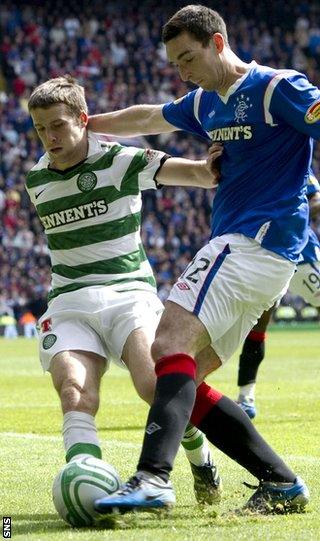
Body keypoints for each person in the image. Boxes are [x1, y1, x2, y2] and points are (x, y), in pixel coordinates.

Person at [90, 4, 318, 515]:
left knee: (166, 340)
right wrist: (90, 125)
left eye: (188, 57)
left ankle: (152, 477)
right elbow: (149, 116)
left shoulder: (276, 87)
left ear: (218, 43)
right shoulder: (205, 103)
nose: (182, 71)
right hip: (260, 255)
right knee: (183, 377)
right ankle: (280, 482)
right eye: (175, 63)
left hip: (254, 239)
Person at [26, 74, 226, 507]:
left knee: (155, 386)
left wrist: (214, 164)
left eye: (58, 125)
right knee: (74, 389)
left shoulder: (121, 160)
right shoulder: (36, 180)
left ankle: (198, 454)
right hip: (69, 302)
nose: (49, 137)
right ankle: (86, 479)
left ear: (84, 119)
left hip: (128, 292)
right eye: (41, 129)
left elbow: (196, 175)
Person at [237, 172, 320, 418]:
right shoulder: (253, 165)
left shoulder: (298, 165)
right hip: (265, 252)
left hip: (301, 251)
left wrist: (293, 211)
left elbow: (316, 200)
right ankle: (245, 397)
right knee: (258, 323)